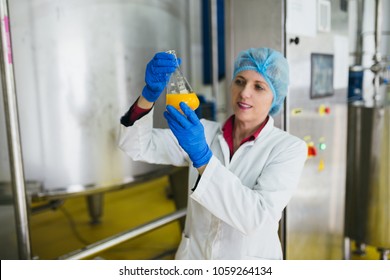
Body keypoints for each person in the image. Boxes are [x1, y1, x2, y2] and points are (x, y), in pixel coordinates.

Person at [118, 47, 307, 260]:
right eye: (240, 81)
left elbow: (256, 219)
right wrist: (148, 96)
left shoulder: (289, 148)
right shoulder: (203, 131)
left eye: (259, 87)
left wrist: (202, 158)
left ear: (275, 97)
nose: (245, 92)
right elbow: (137, 146)